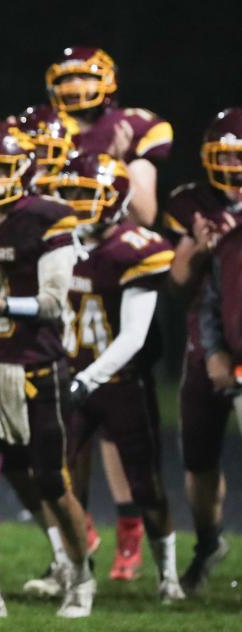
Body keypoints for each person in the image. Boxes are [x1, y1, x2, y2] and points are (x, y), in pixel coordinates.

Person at [0, 121, 95, 620]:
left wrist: (4, 307)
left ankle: (82, 574)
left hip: (37, 369)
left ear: (21, 171)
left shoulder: (48, 218)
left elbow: (53, 303)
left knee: (53, 482)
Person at [42, 152, 183, 602]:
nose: (77, 203)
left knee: (147, 486)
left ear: (115, 198)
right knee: (57, 481)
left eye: (87, 193)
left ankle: (169, 577)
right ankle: (76, 575)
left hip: (120, 384)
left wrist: (86, 380)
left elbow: (134, 337)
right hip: (70, 377)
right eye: (71, 193)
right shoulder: (58, 242)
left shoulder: (137, 248)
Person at [164, 107, 242, 594]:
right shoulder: (195, 204)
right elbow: (191, 286)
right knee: (198, 457)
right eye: (226, 158)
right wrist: (198, 247)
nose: (234, 169)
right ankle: (208, 541)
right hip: (213, 341)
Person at [44, 47, 172, 226]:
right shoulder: (44, 129)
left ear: (108, 80)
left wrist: (118, 163)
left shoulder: (128, 126)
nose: (74, 85)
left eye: (84, 77)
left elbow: (144, 217)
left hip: (109, 232)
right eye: (66, 79)